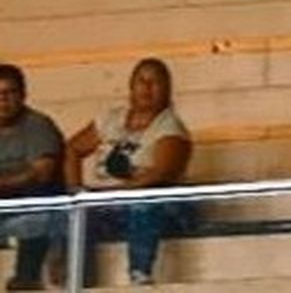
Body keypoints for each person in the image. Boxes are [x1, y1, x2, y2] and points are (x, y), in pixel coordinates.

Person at [59, 59, 193, 287]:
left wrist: (114, 194)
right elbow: (72, 149)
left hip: (157, 205)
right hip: (109, 201)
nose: (147, 87)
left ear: (167, 89)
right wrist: (76, 192)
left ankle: (139, 276)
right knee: (69, 214)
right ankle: (78, 279)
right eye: (142, 81)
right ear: (131, 86)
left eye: (155, 82)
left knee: (144, 204)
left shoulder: (171, 128)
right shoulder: (111, 118)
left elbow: (161, 173)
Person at [0, 64, 63, 292]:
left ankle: (26, 279)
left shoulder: (37, 125)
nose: (4, 100)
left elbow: (42, 172)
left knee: (39, 200)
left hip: (31, 199)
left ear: (23, 95)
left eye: (10, 92)